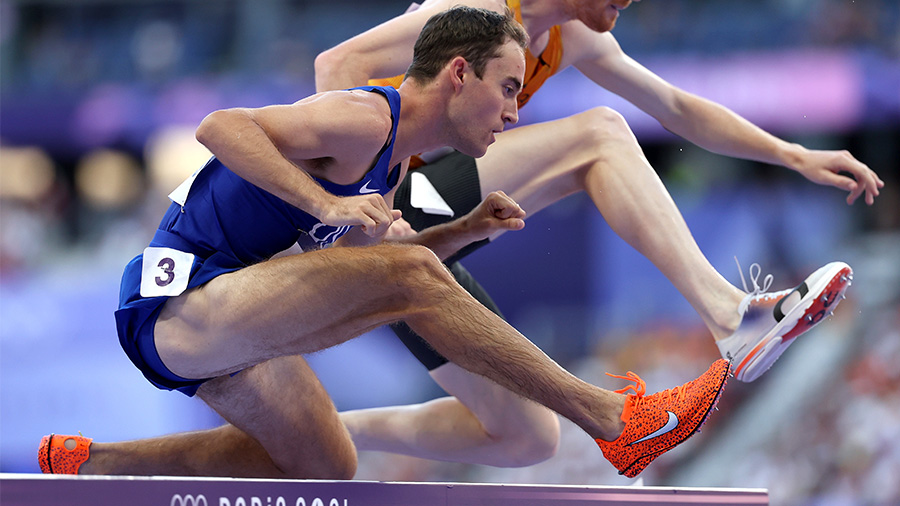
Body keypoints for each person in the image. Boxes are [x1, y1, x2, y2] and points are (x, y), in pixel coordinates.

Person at [38, 6, 730, 481]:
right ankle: (613, 420)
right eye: (508, 89)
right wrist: (324, 201)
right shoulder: (367, 116)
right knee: (411, 275)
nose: (517, 112)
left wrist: (466, 229)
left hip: (230, 321)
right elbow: (220, 127)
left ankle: (96, 462)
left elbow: (384, 256)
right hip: (178, 302)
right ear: (458, 73)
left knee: (328, 462)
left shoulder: (396, 164)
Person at [313, 0, 878, 468]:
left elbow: (676, 106)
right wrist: (363, 200)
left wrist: (794, 153)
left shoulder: (571, 35)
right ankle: (732, 316)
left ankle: (328, 432)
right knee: (600, 135)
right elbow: (336, 61)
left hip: (411, 239)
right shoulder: (480, 10)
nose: (631, 1)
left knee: (528, 436)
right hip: (357, 218)